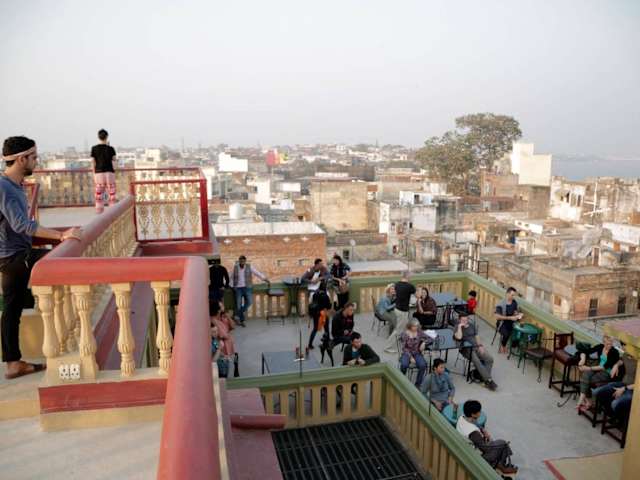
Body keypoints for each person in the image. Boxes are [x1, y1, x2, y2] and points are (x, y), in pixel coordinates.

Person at [1, 136, 82, 379]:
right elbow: (22, 225)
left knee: (13, 309)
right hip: (15, 256)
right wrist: (61, 236)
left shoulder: (14, 185)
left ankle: (13, 363)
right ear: (21, 159)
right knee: (67, 262)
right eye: (34, 157)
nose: (37, 161)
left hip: (12, 255)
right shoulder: (5, 187)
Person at [457, 400, 518, 475]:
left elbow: (474, 422)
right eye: (479, 411)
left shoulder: (462, 417)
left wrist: (483, 430)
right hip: (476, 457)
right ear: (473, 414)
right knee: (503, 444)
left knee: (499, 444)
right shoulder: (473, 432)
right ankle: (502, 467)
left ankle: (500, 464)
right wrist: (491, 441)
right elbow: (486, 449)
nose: (480, 412)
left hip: (466, 449)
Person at [454, 313, 497, 391]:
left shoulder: (471, 325)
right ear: (459, 320)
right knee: (477, 361)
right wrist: (460, 327)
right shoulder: (457, 327)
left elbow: (477, 336)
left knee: (490, 359)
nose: (465, 322)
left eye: (466, 320)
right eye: (463, 320)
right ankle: (488, 380)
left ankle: (482, 377)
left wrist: (480, 346)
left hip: (476, 346)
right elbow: (459, 337)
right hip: (466, 349)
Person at [576, 334, 620, 412]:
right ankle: (586, 400)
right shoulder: (600, 347)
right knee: (586, 375)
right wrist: (583, 359)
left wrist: (588, 368)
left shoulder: (614, 352)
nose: (609, 346)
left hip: (606, 373)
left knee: (586, 379)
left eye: (611, 343)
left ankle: (585, 401)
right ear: (603, 342)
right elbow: (585, 351)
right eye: (607, 343)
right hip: (597, 368)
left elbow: (604, 366)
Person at [594, 343, 636, 423]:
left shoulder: (637, 360)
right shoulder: (626, 354)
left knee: (615, 404)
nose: (623, 348)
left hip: (634, 390)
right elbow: (621, 360)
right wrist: (616, 365)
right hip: (623, 383)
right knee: (598, 392)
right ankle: (612, 415)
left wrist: (623, 389)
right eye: (622, 345)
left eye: (624, 346)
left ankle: (619, 420)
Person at [230, 255, 269, 327]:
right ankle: (242, 321)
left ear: (245, 261)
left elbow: (257, 273)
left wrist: (264, 279)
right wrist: (232, 286)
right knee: (238, 305)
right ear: (239, 261)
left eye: (243, 261)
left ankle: (236, 314)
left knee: (250, 302)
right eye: (240, 261)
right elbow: (231, 277)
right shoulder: (235, 267)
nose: (242, 262)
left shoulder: (249, 267)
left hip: (247, 287)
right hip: (238, 288)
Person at [384, 271, 416, 353]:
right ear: (407, 276)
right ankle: (387, 347)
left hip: (397, 309)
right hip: (403, 312)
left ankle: (408, 343)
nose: (411, 277)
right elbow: (414, 292)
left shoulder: (396, 284)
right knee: (398, 330)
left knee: (405, 327)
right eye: (410, 276)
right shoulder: (409, 286)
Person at [90, 129, 117, 213]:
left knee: (99, 193)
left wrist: (94, 173)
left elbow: (93, 162)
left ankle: (99, 211)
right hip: (109, 173)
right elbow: (114, 159)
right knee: (111, 193)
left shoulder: (94, 148)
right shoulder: (111, 148)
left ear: (98, 137)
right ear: (107, 137)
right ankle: (112, 211)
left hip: (99, 173)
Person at [399, 319, 429, 387]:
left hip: (416, 352)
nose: (416, 327)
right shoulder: (405, 334)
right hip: (407, 353)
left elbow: (429, 338)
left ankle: (418, 384)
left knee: (423, 365)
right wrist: (410, 357)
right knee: (404, 365)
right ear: (410, 326)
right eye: (414, 326)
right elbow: (404, 348)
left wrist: (424, 343)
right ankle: (401, 379)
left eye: (417, 326)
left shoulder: (419, 332)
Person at [495, 287, 523, 354]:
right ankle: (503, 345)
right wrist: (510, 318)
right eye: (512, 295)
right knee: (507, 333)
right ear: (507, 294)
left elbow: (515, 311)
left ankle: (513, 345)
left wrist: (518, 314)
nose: (513, 297)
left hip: (512, 322)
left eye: (514, 295)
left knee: (519, 332)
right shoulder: (501, 303)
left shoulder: (514, 302)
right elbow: (497, 317)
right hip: (502, 323)